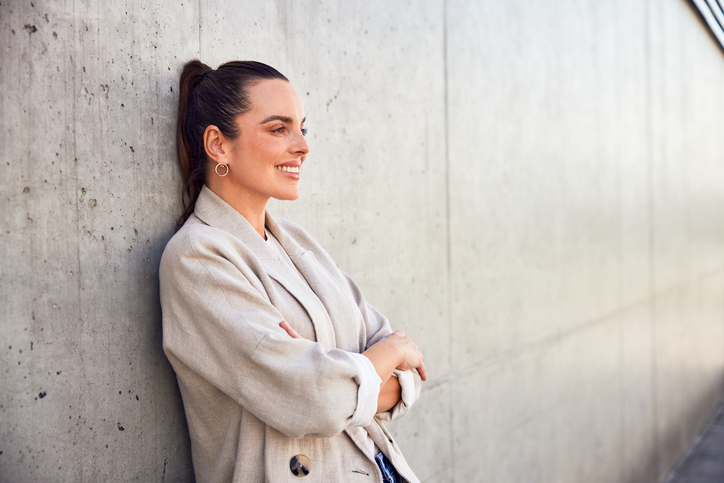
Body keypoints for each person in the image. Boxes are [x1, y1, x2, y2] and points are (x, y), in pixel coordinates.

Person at [159, 59, 427, 483]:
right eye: (279, 128)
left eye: (303, 128)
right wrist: (381, 358)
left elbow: (403, 378)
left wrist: (354, 373)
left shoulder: (299, 244)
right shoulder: (198, 258)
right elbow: (315, 398)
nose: (303, 146)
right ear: (218, 145)